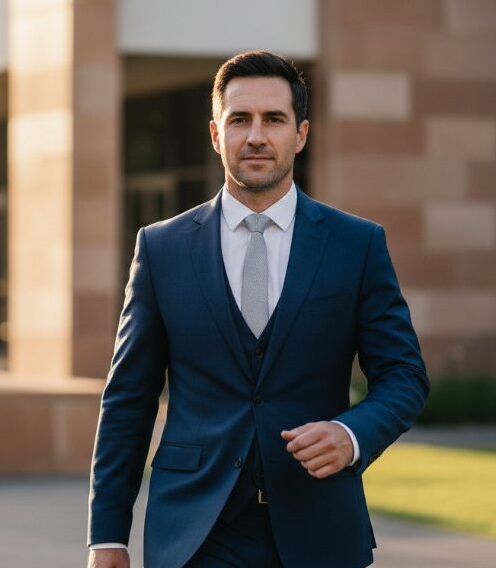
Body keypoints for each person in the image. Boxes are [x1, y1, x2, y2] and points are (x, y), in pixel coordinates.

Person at [87, 50, 429, 568]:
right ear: (215, 134)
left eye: (274, 119)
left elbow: (404, 376)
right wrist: (107, 535)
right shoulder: (162, 248)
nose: (256, 136)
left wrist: (352, 434)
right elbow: (128, 399)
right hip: (194, 535)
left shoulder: (356, 244)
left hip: (319, 527)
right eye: (239, 119)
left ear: (302, 133)